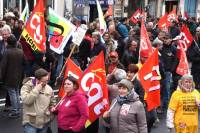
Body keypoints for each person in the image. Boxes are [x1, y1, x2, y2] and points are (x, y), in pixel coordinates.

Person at [21, 68, 56, 133]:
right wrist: (37, 88)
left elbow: (52, 103)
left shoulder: (49, 88)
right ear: (37, 80)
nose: (46, 83)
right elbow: (27, 100)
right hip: (31, 123)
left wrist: (52, 108)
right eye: (44, 81)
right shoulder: (26, 87)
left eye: (47, 80)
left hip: (45, 123)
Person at [0, 35, 25, 118]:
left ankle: (15, 110)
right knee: (16, 92)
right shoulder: (20, 51)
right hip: (18, 75)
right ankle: (17, 108)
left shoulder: (7, 52)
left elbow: (3, 67)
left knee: (12, 93)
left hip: (9, 76)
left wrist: (1, 77)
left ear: (8, 42)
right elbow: (25, 63)